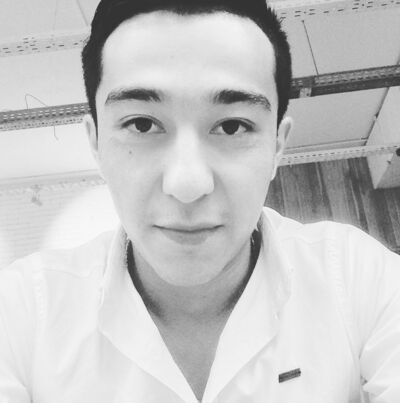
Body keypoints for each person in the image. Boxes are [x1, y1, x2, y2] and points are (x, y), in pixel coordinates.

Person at [0, 0, 399, 401]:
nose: (187, 184)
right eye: (142, 124)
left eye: (232, 126)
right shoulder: (23, 312)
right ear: (96, 143)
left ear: (277, 146)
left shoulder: (357, 279)